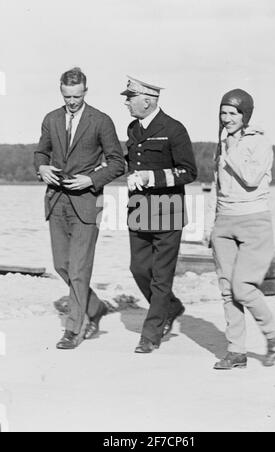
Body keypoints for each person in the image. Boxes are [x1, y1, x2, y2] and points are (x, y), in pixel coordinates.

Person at [34, 67, 125, 349]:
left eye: (76, 95)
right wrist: (41, 166)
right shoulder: (51, 119)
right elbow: (41, 151)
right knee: (62, 265)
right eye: (67, 96)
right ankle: (95, 307)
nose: (72, 101)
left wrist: (92, 179)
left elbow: (117, 162)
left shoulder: (101, 121)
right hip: (57, 202)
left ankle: (74, 329)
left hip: (87, 204)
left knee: (79, 268)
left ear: (85, 90)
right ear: (61, 91)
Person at [205, 88, 275, 369]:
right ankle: (236, 351)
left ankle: (273, 334)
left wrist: (230, 149)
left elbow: (250, 178)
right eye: (223, 113)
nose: (226, 118)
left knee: (243, 288)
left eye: (233, 113)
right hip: (224, 221)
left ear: (245, 115)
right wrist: (211, 226)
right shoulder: (222, 143)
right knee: (227, 289)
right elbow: (218, 187)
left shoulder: (259, 142)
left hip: (254, 220)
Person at [121, 76, 198, 353]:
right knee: (139, 268)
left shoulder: (174, 129)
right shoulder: (133, 128)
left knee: (161, 276)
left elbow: (189, 171)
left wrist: (151, 177)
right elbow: (134, 162)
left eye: (129, 98)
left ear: (147, 100)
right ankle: (172, 306)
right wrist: (131, 176)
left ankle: (150, 335)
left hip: (167, 210)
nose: (126, 102)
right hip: (139, 209)